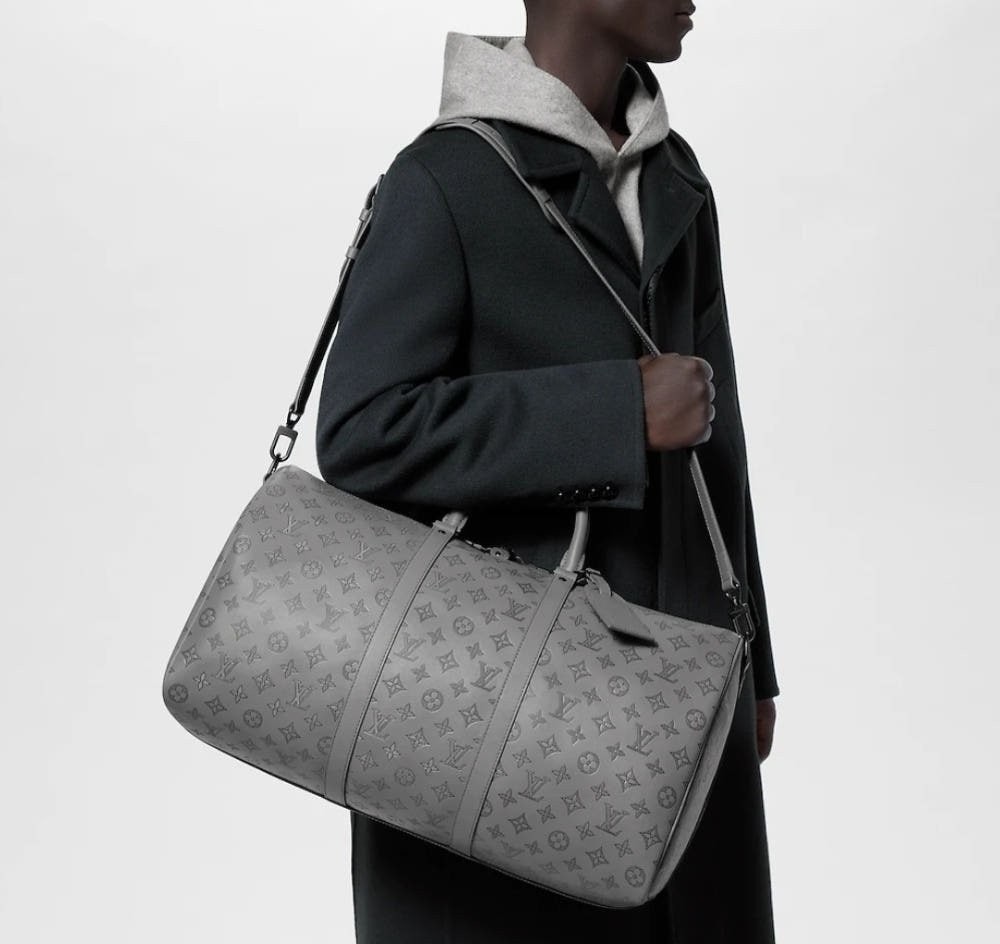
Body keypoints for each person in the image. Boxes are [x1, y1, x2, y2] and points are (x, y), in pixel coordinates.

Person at [316, 2, 780, 941]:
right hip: (490, 716)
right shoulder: (443, 178)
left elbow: (717, 446)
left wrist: (755, 662)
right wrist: (616, 413)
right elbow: (363, 431)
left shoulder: (677, 177)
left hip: (684, 685)